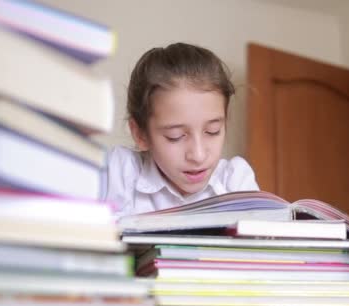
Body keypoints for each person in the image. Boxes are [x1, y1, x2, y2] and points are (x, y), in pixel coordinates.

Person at [103, 42, 259, 217]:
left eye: (212, 131)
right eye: (175, 136)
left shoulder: (235, 182)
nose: (198, 155)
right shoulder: (121, 173)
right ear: (140, 134)